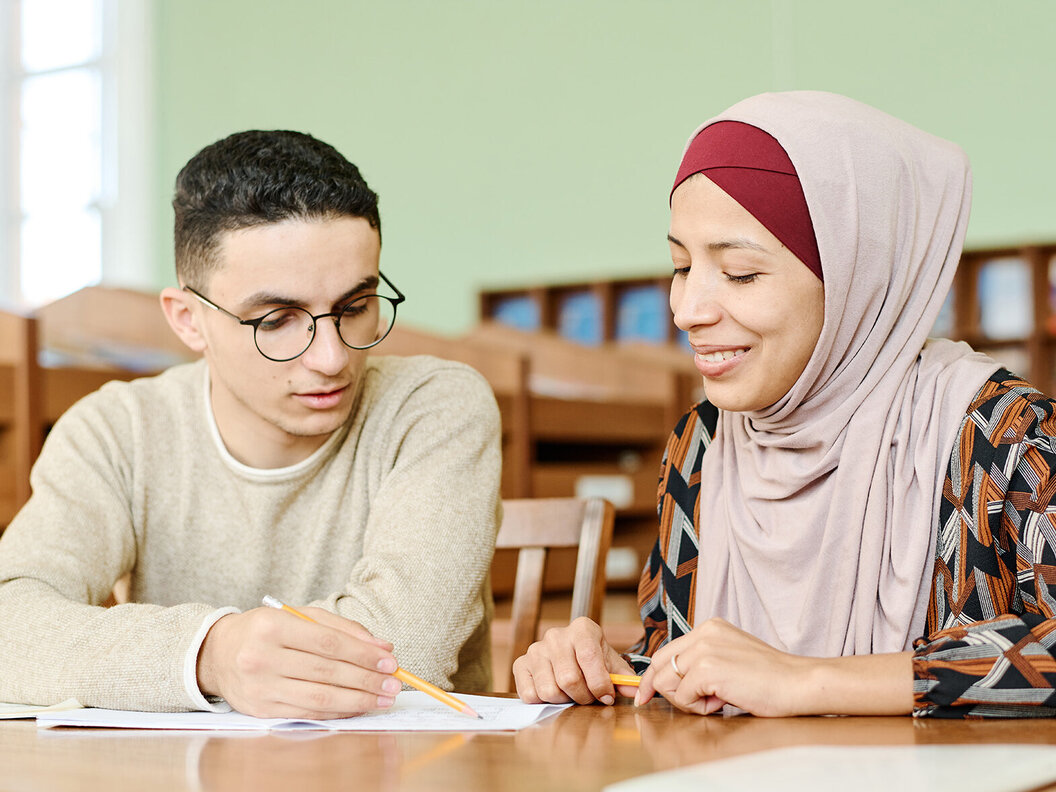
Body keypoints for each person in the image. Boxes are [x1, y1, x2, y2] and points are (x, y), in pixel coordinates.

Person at [513, 91, 1056, 718]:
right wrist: (613, 673)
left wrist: (806, 682)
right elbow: (687, 658)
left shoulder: (1006, 436)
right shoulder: (703, 446)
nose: (687, 311)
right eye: (682, 266)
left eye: (740, 273)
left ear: (859, 276)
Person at [0, 130, 502, 717]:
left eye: (355, 307)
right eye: (276, 320)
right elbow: (11, 621)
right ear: (188, 320)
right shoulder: (116, 430)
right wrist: (211, 653)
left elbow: (403, 652)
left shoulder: (437, 404)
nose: (332, 358)